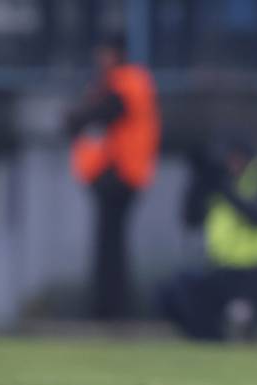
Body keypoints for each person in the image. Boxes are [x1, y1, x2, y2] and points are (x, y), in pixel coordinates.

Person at [159, 137, 257, 340]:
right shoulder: (219, 181)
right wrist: (199, 185)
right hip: (224, 269)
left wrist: (224, 190)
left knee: (241, 312)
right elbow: (191, 220)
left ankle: (241, 331)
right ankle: (212, 341)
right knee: (172, 293)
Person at [66, 33, 160, 319]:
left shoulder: (130, 81)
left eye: (105, 52)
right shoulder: (112, 83)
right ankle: (108, 308)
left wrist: (77, 116)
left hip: (124, 174)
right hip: (110, 173)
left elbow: (108, 111)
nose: (101, 59)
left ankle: (112, 309)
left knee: (111, 243)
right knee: (108, 241)